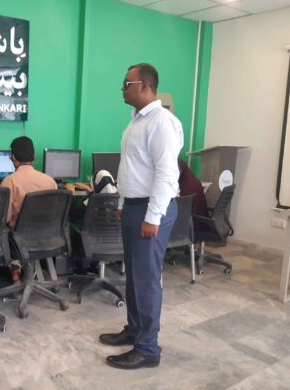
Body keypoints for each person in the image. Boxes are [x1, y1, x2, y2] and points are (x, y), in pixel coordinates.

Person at [99, 63, 183, 370]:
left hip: (152, 208)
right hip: (135, 206)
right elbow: (131, 168)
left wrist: (153, 217)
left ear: (144, 85)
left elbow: (165, 173)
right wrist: (123, 200)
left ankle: (148, 348)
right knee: (133, 275)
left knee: (147, 280)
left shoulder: (162, 122)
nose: (122, 88)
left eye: (126, 83)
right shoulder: (136, 121)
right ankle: (134, 330)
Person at [0, 136, 57, 280]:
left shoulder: (9, 181)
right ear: (34, 156)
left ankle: (15, 267)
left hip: (20, 239)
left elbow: (4, 218)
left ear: (12, 157)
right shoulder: (50, 181)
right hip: (48, 236)